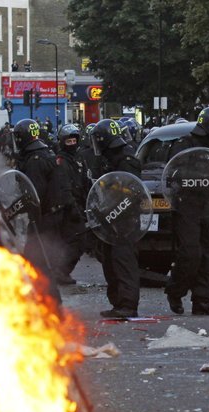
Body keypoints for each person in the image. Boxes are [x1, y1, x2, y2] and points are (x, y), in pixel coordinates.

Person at [163, 106, 209, 316]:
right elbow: (172, 176)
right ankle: (175, 291)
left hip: (207, 208)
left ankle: (202, 300)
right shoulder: (184, 145)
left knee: (208, 255)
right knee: (190, 253)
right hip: (187, 207)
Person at [92, 120, 143, 319]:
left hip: (125, 220)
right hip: (110, 219)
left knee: (124, 261)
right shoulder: (110, 158)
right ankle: (118, 303)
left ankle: (128, 304)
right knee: (111, 262)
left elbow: (132, 192)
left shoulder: (126, 160)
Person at [12, 118, 62, 303]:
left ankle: (51, 302)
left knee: (38, 261)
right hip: (51, 216)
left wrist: (13, 210)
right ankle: (43, 299)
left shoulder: (34, 160)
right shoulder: (45, 153)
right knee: (38, 259)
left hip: (43, 218)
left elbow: (33, 194)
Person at [53, 123, 92, 286]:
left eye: (74, 141)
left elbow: (85, 180)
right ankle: (61, 271)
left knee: (73, 240)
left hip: (80, 203)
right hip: (69, 207)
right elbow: (64, 187)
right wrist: (73, 208)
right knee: (78, 241)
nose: (72, 144)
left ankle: (60, 270)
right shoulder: (61, 161)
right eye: (68, 141)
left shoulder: (78, 158)